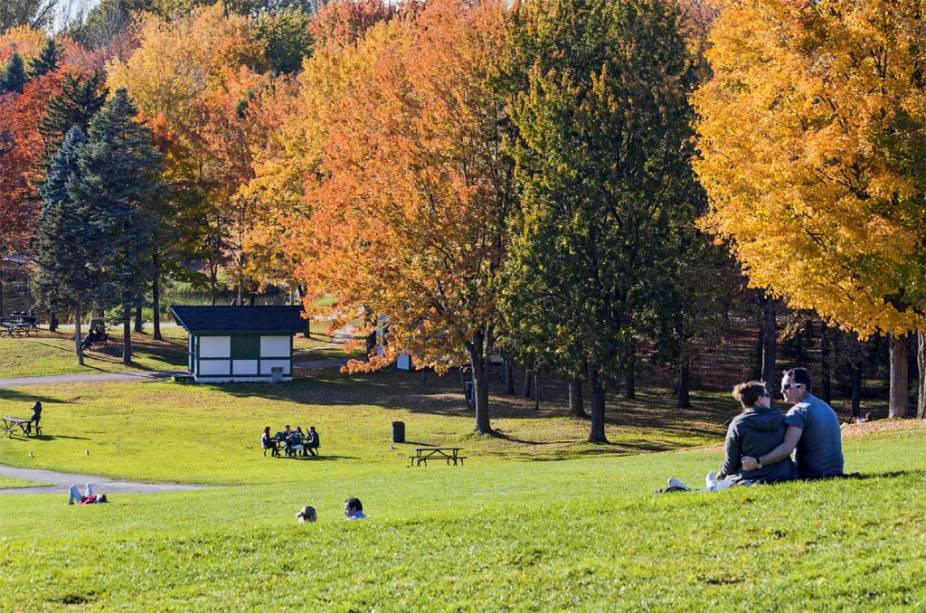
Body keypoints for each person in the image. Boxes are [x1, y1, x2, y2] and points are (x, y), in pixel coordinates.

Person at [666, 381, 796, 492]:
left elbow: (731, 462)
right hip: (782, 475)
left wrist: (722, 473)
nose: (770, 398)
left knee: (722, 484)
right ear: (759, 399)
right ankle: (703, 487)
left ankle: (691, 490)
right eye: (767, 395)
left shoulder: (738, 424)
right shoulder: (782, 419)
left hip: (751, 478)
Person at [742, 368, 844, 479]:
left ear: (802, 388)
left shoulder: (798, 411)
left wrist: (758, 462)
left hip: (812, 474)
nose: (782, 391)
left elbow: (787, 448)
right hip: (836, 470)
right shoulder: (825, 406)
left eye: (786, 387)